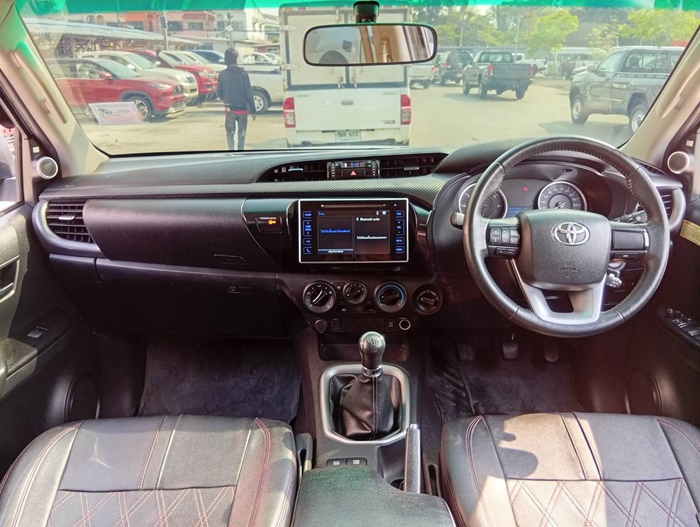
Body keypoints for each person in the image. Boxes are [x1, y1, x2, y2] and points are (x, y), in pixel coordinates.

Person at [216, 48, 256, 151]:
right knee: (241, 134)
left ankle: (231, 152)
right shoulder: (243, 73)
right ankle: (240, 152)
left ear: (226, 59)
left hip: (229, 108)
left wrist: (225, 99)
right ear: (236, 59)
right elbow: (248, 92)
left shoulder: (222, 74)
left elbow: (218, 91)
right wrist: (253, 110)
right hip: (242, 108)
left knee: (230, 133)